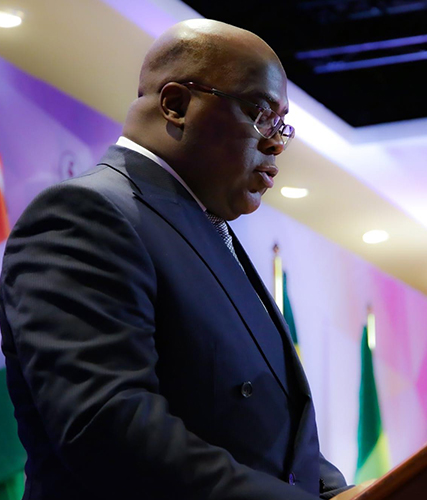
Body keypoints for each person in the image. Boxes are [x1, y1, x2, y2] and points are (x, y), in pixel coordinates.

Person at [0, 19, 364, 500]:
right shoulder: (86, 215)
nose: (276, 142)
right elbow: (110, 427)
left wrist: (341, 493)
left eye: (282, 126)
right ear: (176, 105)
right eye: (260, 114)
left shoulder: (207, 228)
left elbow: (271, 435)